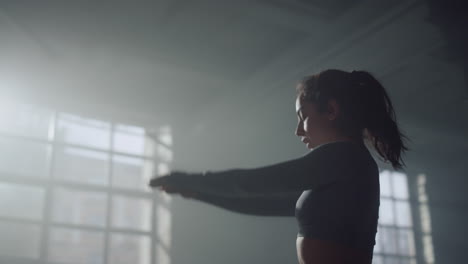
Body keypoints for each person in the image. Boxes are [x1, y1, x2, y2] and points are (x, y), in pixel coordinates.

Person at [149, 69, 410, 264]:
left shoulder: (345, 157)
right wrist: (199, 192)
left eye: (303, 116)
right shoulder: (343, 166)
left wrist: (191, 180)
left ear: (331, 110)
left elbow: (255, 183)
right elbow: (262, 202)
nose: (298, 131)